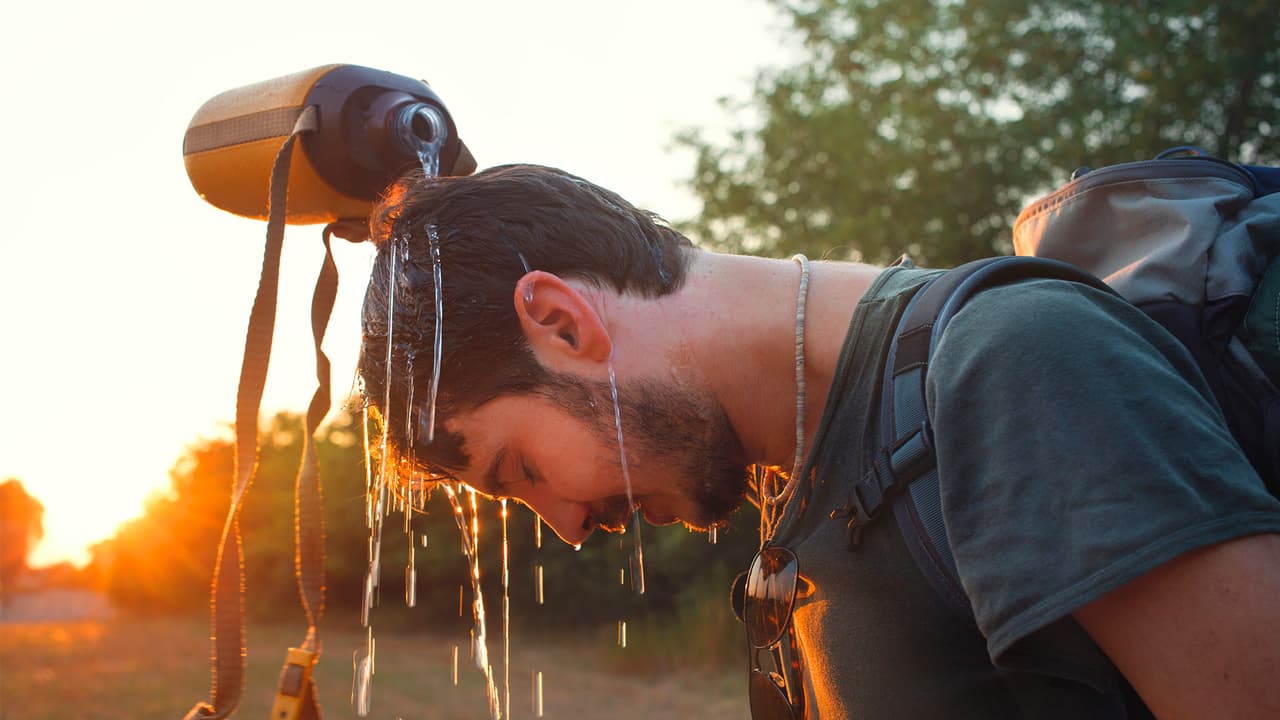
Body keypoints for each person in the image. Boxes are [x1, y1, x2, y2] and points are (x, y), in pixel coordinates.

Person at [359, 163, 1280, 719]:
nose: (563, 526)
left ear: (561, 321)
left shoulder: (1013, 363)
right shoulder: (795, 480)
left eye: (521, 469)